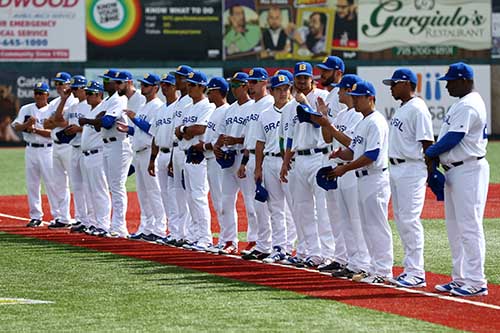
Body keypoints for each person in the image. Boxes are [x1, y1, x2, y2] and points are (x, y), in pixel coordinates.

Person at [425, 62, 489, 297]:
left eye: (450, 82)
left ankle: (476, 281)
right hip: (456, 170)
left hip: (469, 169)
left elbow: (454, 137)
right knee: (455, 228)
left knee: (469, 226)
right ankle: (460, 277)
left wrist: (430, 152)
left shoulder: (470, 104)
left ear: (463, 80)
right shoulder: (461, 103)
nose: (447, 86)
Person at [330, 80, 393, 284]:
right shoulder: (363, 121)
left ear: (370, 98)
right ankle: (374, 269)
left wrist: (345, 168)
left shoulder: (375, 121)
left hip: (375, 178)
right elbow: (355, 152)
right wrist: (341, 154)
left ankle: (383, 271)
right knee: (367, 226)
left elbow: (371, 155)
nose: (355, 100)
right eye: (354, 97)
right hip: (363, 179)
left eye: (359, 97)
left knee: (377, 226)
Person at [313, 74, 372, 278]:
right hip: (340, 169)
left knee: (355, 219)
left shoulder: (357, 115)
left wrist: (328, 124)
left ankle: (361, 262)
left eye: (340, 89)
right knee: (343, 219)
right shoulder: (343, 115)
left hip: (351, 169)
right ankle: (346, 259)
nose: (337, 92)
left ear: (348, 91)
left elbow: (352, 143)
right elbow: (328, 137)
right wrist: (324, 119)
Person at [382, 68, 434, 288]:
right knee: (402, 220)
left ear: (406, 84)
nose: (391, 88)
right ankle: (410, 269)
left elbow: (427, 143)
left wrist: (431, 173)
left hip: (411, 169)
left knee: (410, 220)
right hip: (397, 169)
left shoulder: (418, 109)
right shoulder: (404, 107)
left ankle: (416, 272)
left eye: (394, 84)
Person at [279, 61, 332, 268]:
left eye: (305, 77)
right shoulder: (290, 106)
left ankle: (327, 253)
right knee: (303, 209)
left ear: (312, 79)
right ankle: (312, 252)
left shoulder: (322, 97)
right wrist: (285, 162)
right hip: (298, 158)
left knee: (322, 208)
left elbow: (325, 125)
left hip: (319, 155)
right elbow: (290, 137)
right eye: (298, 77)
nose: (301, 81)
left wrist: (305, 105)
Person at [119, 73, 167, 242]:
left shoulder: (158, 106)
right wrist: (128, 129)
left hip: (149, 152)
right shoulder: (144, 105)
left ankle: (159, 228)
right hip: (138, 152)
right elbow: (139, 130)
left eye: (147, 85)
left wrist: (135, 119)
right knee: (143, 193)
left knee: (154, 192)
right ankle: (146, 227)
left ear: (155, 87)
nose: (143, 87)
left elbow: (152, 130)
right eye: (142, 84)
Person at [213, 72, 255, 255]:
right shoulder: (230, 109)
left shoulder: (253, 107)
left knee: (251, 203)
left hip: (245, 157)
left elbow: (254, 137)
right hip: (229, 159)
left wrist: (236, 140)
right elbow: (221, 134)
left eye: (237, 84)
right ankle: (229, 240)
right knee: (226, 201)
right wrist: (217, 146)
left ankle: (255, 240)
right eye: (232, 84)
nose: (233, 88)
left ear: (246, 86)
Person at [254, 74, 294, 263]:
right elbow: (259, 143)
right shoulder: (265, 114)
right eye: (279, 89)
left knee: (294, 207)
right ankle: (279, 246)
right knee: (275, 206)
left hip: (290, 162)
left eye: (286, 88)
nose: (283, 92)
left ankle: (292, 246)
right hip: (270, 161)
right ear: (271, 91)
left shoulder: (295, 111)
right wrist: (258, 168)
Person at [175, 70, 215, 252]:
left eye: (192, 85)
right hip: (186, 154)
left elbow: (199, 129)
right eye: (188, 84)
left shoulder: (207, 106)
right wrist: (185, 129)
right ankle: (194, 234)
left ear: (202, 87)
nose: (188, 87)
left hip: (199, 156)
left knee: (198, 197)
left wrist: (184, 129)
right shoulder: (188, 107)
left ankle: (205, 237)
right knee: (190, 197)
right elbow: (178, 132)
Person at [12, 82, 61, 228]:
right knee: (32, 184)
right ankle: (35, 216)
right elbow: (15, 126)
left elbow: (53, 133)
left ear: (47, 94)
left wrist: (33, 129)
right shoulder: (26, 108)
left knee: (52, 183)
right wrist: (26, 125)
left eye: (41, 92)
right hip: (31, 149)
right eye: (36, 93)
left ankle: (58, 215)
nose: (38, 95)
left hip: (48, 149)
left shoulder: (52, 110)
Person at [51, 75, 94, 233]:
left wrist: (79, 129)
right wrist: (63, 98)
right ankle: (82, 219)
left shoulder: (90, 106)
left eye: (76, 88)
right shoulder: (75, 105)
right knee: (77, 186)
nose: (74, 91)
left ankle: (91, 220)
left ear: (84, 89)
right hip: (74, 148)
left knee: (88, 186)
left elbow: (96, 126)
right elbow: (58, 119)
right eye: (73, 88)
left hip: (85, 149)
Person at [239, 67, 274, 260]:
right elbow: (250, 138)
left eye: (253, 82)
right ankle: (262, 244)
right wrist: (244, 162)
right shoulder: (252, 106)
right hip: (251, 157)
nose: (249, 86)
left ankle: (271, 245)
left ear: (264, 83)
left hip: (266, 158)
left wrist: (259, 164)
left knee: (268, 205)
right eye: (248, 83)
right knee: (255, 205)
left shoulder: (269, 104)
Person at [96, 69, 133, 238]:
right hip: (108, 145)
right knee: (112, 186)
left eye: (108, 81)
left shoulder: (119, 100)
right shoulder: (107, 101)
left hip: (119, 144)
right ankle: (114, 225)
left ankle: (119, 227)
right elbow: (99, 123)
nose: (105, 83)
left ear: (117, 84)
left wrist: (98, 119)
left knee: (117, 187)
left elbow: (106, 121)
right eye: (104, 80)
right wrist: (99, 119)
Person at [198, 77, 230, 253]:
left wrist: (202, 146)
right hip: (210, 158)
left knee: (222, 201)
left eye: (210, 90)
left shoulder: (225, 110)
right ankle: (223, 239)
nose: (208, 93)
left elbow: (220, 139)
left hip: (219, 159)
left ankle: (226, 240)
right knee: (218, 202)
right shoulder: (216, 111)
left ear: (218, 92)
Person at [43, 71, 78, 228]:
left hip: (69, 145)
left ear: (69, 85)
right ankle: (64, 217)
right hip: (55, 145)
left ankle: (80, 218)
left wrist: (56, 120)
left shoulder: (74, 101)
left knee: (76, 182)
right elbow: (46, 124)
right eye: (56, 83)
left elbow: (65, 123)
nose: (58, 86)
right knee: (59, 183)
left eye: (61, 83)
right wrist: (57, 120)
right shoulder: (55, 102)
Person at [77, 81, 112, 236]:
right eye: (87, 93)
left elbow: (101, 124)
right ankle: (93, 223)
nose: (87, 96)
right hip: (87, 155)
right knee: (90, 192)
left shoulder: (103, 109)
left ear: (99, 94)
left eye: (90, 93)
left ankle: (104, 225)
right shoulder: (91, 110)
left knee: (100, 191)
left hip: (98, 154)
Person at [148, 73, 179, 245]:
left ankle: (179, 232)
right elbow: (155, 136)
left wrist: (173, 159)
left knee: (176, 196)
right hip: (162, 154)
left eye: (168, 84)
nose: (164, 87)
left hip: (174, 153)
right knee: (165, 195)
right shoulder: (160, 110)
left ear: (175, 87)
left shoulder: (179, 108)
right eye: (163, 84)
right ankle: (172, 231)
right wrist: (152, 158)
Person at [170, 65, 194, 247]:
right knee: (178, 193)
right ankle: (179, 232)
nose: (176, 80)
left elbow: (185, 131)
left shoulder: (190, 101)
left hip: (187, 149)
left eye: (179, 77)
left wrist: (181, 132)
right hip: (176, 149)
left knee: (188, 194)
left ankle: (187, 233)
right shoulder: (179, 101)